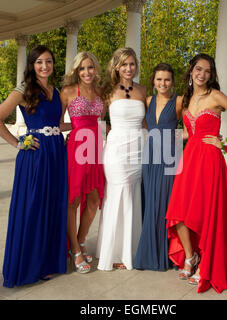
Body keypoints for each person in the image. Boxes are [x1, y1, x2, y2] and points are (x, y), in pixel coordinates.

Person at [165, 53, 227, 293]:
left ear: (211, 75)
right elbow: (189, 132)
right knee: (179, 211)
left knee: (208, 214)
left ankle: (206, 265)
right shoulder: (185, 101)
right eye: (198, 69)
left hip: (210, 161)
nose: (202, 74)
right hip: (189, 159)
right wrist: (163, 138)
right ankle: (190, 257)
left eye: (207, 71)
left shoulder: (216, 96)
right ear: (191, 71)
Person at [0, 45, 70, 288]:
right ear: (32, 66)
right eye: (39, 62)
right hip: (35, 155)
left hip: (56, 152)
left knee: (52, 205)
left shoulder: (56, 91)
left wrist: (82, 126)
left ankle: (47, 263)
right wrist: (18, 143)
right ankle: (28, 266)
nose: (45, 66)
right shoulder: (23, 90)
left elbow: (56, 125)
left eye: (49, 61)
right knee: (34, 206)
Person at [96, 47, 146, 271]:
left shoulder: (143, 90)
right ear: (116, 66)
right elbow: (95, 122)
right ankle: (113, 253)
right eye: (124, 64)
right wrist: (112, 133)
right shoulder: (105, 91)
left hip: (139, 149)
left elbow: (146, 124)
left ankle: (131, 251)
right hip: (116, 150)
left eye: (132, 64)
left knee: (134, 196)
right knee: (117, 194)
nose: (128, 68)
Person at [60, 52, 106, 273]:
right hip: (78, 147)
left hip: (96, 147)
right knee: (74, 200)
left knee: (95, 199)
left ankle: (79, 240)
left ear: (95, 69)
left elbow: (107, 121)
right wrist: (76, 130)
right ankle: (76, 250)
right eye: (82, 69)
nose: (86, 72)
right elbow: (58, 124)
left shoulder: (101, 93)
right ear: (76, 71)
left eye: (90, 68)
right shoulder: (68, 92)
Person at [134, 63, 182, 271]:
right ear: (153, 81)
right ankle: (149, 251)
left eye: (167, 79)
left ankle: (164, 255)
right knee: (149, 200)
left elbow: (191, 127)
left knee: (163, 202)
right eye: (159, 79)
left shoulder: (179, 101)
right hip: (149, 155)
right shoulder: (147, 101)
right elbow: (144, 125)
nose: (163, 83)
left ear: (173, 82)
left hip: (169, 156)